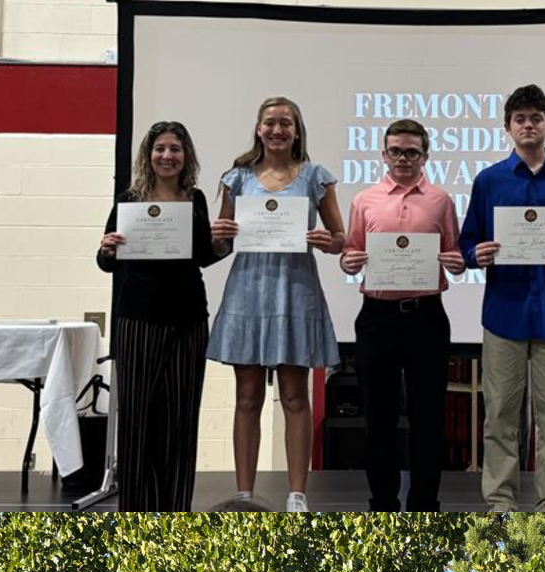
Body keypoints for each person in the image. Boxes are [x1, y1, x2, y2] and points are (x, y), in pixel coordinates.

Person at [208, 96, 345, 512]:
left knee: (295, 396)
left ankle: (297, 495)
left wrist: (328, 242)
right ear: (258, 129)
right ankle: (245, 494)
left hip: (295, 290)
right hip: (248, 290)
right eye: (270, 123)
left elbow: (340, 239)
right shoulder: (236, 178)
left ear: (297, 130)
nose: (277, 130)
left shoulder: (316, 177)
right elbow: (221, 245)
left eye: (286, 123)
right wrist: (218, 233)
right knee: (247, 396)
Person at [458, 84, 545, 512]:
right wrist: (476, 255)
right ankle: (500, 498)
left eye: (536, 118)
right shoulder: (488, 180)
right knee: (500, 414)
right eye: (520, 119)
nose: (528, 125)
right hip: (504, 313)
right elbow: (466, 244)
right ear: (508, 127)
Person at [339, 119, 465, 511]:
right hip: (378, 317)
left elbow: (454, 253)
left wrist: (458, 264)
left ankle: (426, 505)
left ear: (425, 156)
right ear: (383, 154)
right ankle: (382, 505)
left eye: (412, 151)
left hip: (426, 316)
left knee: (429, 419)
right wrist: (348, 263)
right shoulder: (364, 200)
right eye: (396, 151)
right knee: (379, 419)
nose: (403, 158)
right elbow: (351, 254)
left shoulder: (442, 200)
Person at [96, 120, 221, 512]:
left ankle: (175, 512)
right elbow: (106, 262)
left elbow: (203, 256)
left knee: (181, 420)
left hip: (188, 318)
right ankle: (136, 515)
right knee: (136, 420)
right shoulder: (129, 199)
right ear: (149, 156)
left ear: (187, 157)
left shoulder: (196, 200)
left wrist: (227, 242)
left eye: (175, 149)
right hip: (137, 318)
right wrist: (106, 250)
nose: (167, 156)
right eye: (161, 149)